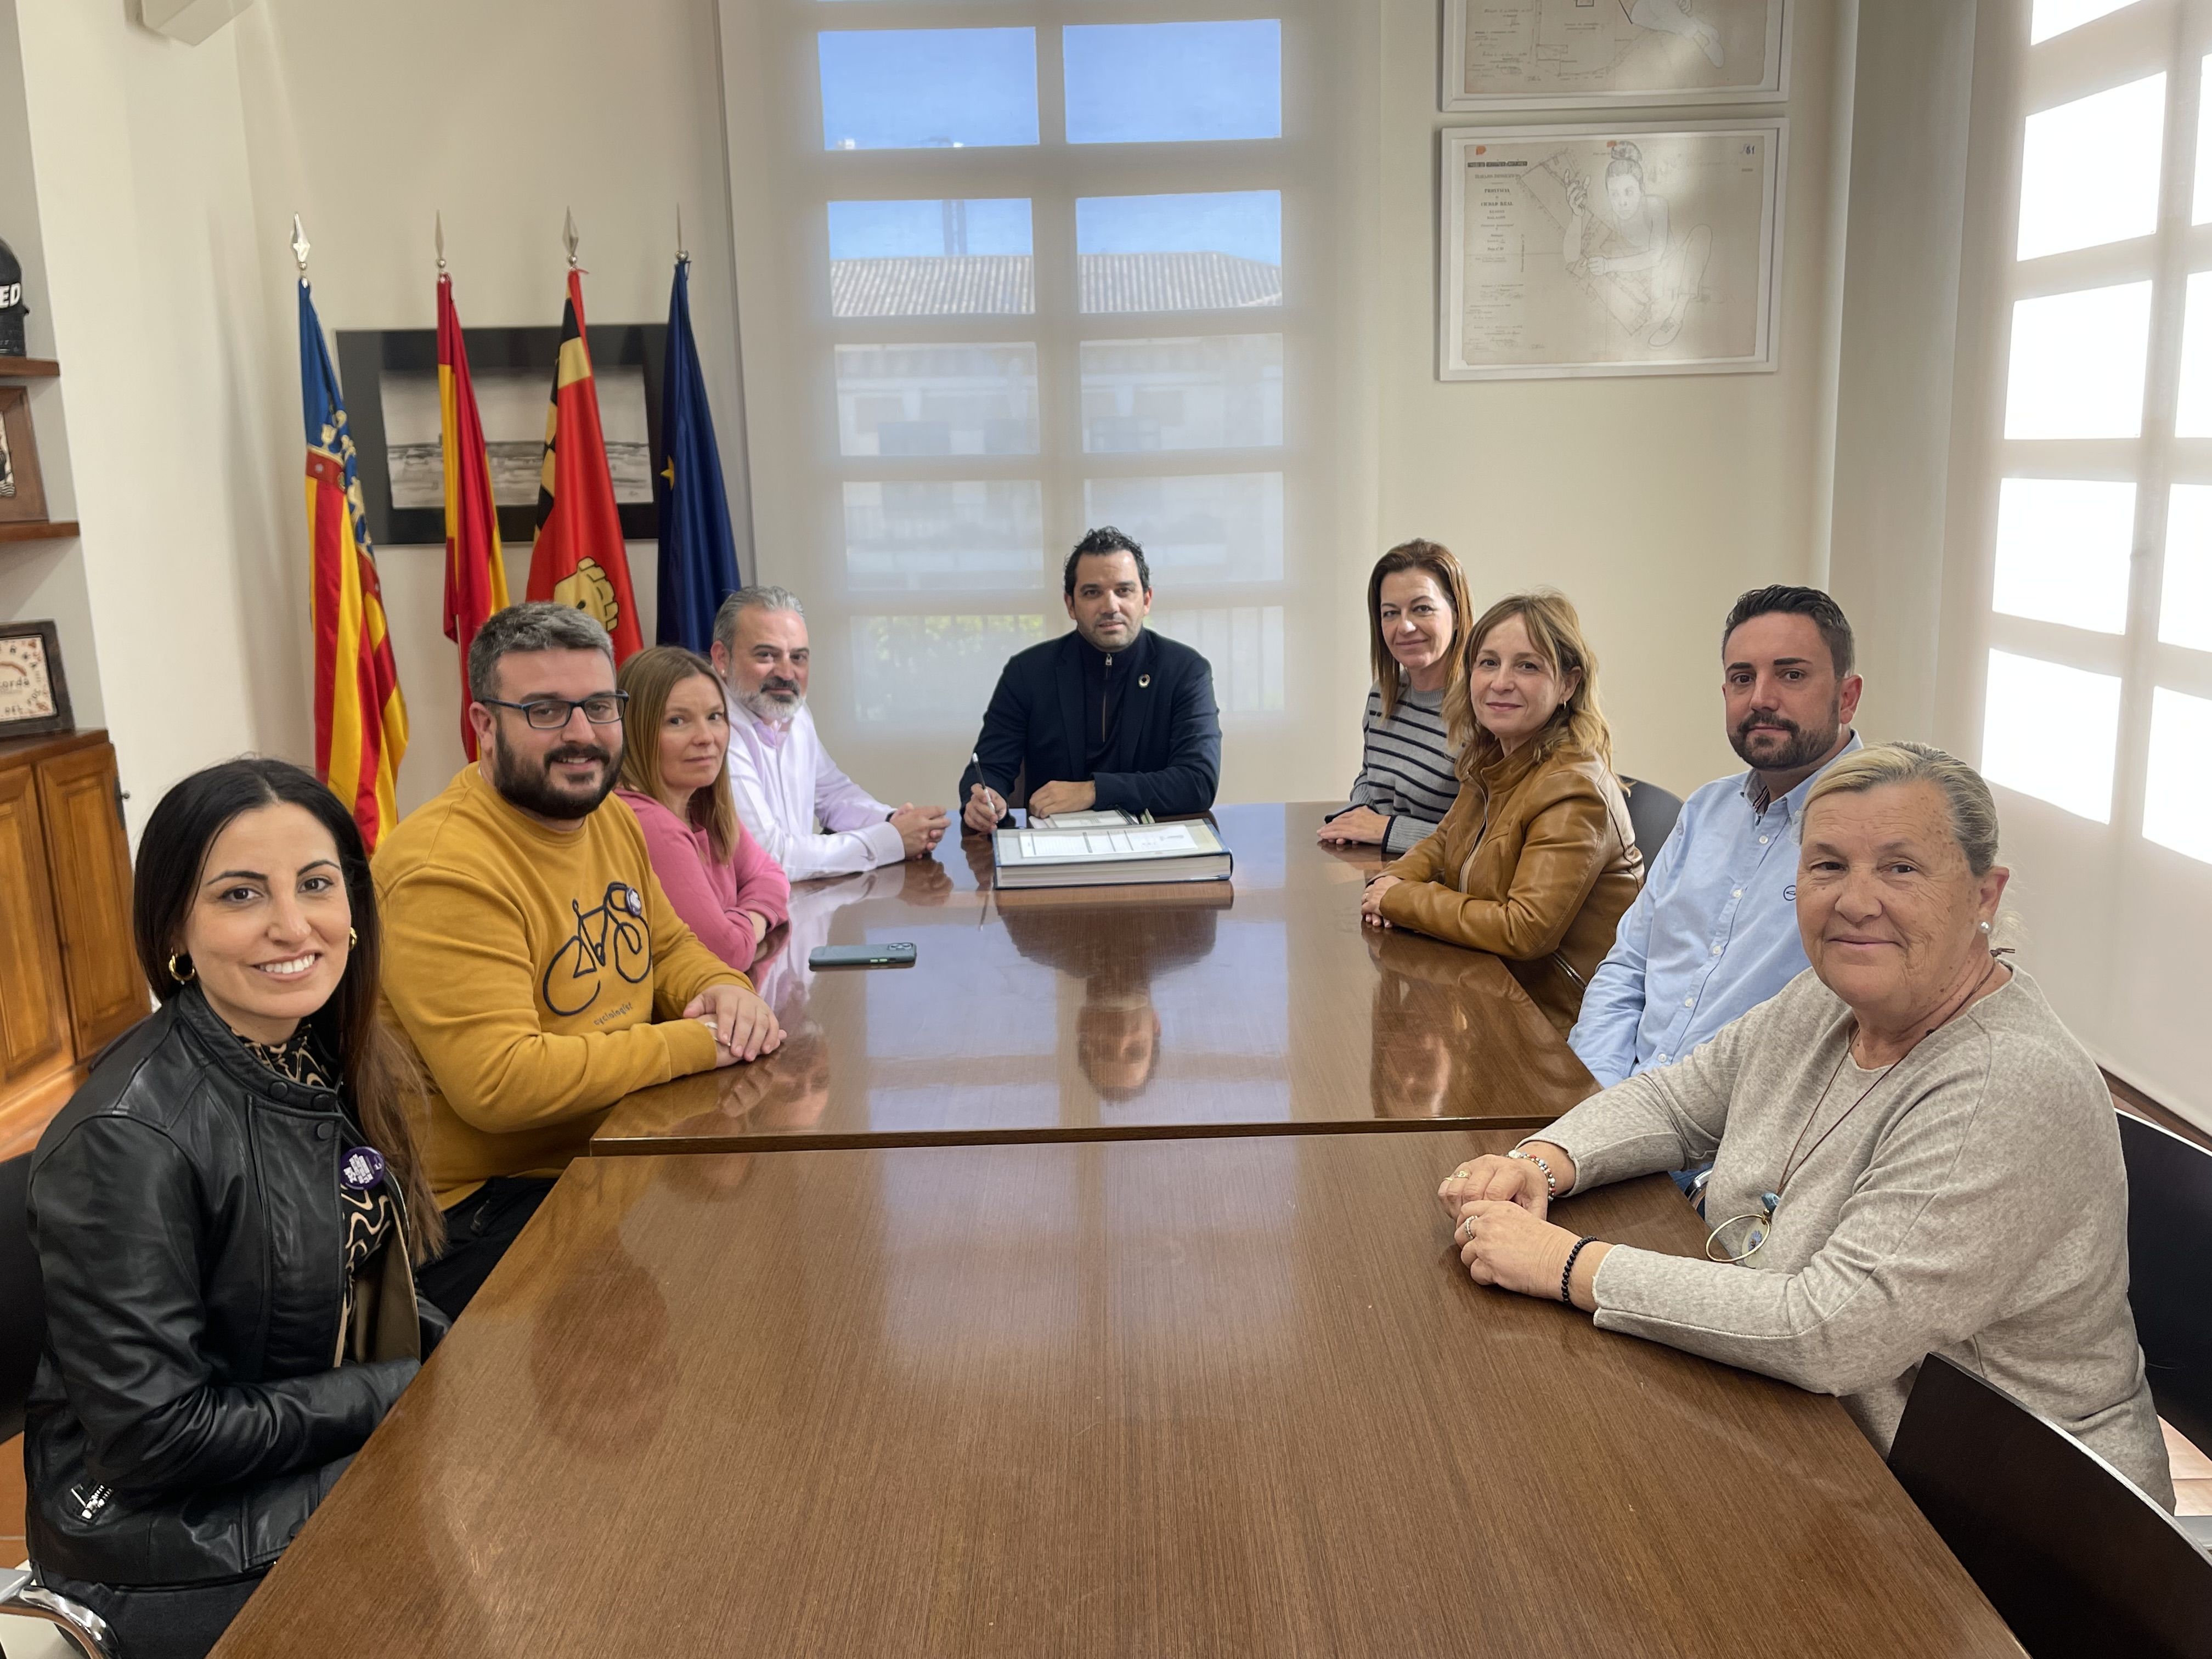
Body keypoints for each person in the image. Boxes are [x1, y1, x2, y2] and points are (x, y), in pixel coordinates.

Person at [1437, 743, 2173, 1504]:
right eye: (1827, 865)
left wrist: (1564, 1265)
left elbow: (1828, 1330)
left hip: (2004, 1522)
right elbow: (1678, 1099)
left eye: (1901, 868)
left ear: (1985, 895)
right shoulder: (1829, 1000)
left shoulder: (2005, 1084)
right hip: (1817, 1434)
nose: (1855, 900)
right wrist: (1546, 1160)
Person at [25, 759, 446, 1659]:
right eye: (241, 892)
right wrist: (396, 1389)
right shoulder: (127, 1135)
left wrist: (439, 1356)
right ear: (175, 922)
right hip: (167, 1538)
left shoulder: (313, 1049)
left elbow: (358, 1285)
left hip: (294, 1451)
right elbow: (156, 1437)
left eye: (317, 883)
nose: (292, 924)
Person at [375, 602, 781, 1318]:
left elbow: (669, 947)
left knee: (771, 1257)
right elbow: (504, 1084)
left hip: (611, 1151)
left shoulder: (608, 819)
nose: (582, 737)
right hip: (486, 1211)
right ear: (483, 726)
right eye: (544, 711)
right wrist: (701, 1039)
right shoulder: (446, 870)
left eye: (598, 707)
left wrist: (724, 987)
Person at [1569, 586, 1865, 1198]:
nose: (1761, 699)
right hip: (1617, 1115)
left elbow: (1854, 1051)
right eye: (1741, 677)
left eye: (1791, 675)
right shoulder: (1706, 810)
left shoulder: (1874, 834)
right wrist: (1597, 1101)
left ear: (1848, 695)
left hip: (1725, 1167)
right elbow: (1628, 967)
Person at [1360, 590, 1640, 1031]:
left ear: (1568, 683)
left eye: (1527, 666)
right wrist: (1394, 880)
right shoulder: (1493, 756)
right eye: (1488, 663)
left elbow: (1523, 930)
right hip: (1490, 986)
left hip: (1554, 1025)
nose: (1500, 681)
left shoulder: (1574, 790)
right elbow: (1442, 841)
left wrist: (1399, 900)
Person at [959, 527, 1222, 832]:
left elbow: (1198, 782)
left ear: (1146, 600)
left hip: (1155, 848)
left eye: (1124, 591)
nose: (1110, 607)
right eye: (1092, 592)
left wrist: (1093, 791)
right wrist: (983, 798)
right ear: (1070, 605)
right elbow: (988, 768)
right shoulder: (1028, 672)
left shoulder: (1185, 671)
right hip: (1054, 851)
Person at [713, 585, 947, 880]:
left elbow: (832, 794)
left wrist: (891, 819)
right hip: (742, 916)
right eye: (767, 656)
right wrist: (891, 840)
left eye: (798, 658)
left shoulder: (792, 712)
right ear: (722, 658)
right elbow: (771, 857)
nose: (787, 673)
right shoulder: (711, 729)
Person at [615, 643, 791, 973]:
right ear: (636, 730)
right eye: (678, 721)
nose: (706, 737)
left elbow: (772, 875)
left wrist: (741, 921)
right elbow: (723, 955)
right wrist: (752, 920)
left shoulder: (701, 804)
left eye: (715, 717)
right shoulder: (648, 822)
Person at [1319, 539, 1472, 856]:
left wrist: (1388, 830)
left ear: (1456, 613)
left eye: (1422, 608)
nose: (1405, 626)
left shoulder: (1486, 708)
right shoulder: (1382, 695)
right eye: (1391, 613)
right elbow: (1370, 776)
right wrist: (1355, 815)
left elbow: (1486, 838)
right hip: (1382, 870)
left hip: (1445, 888)